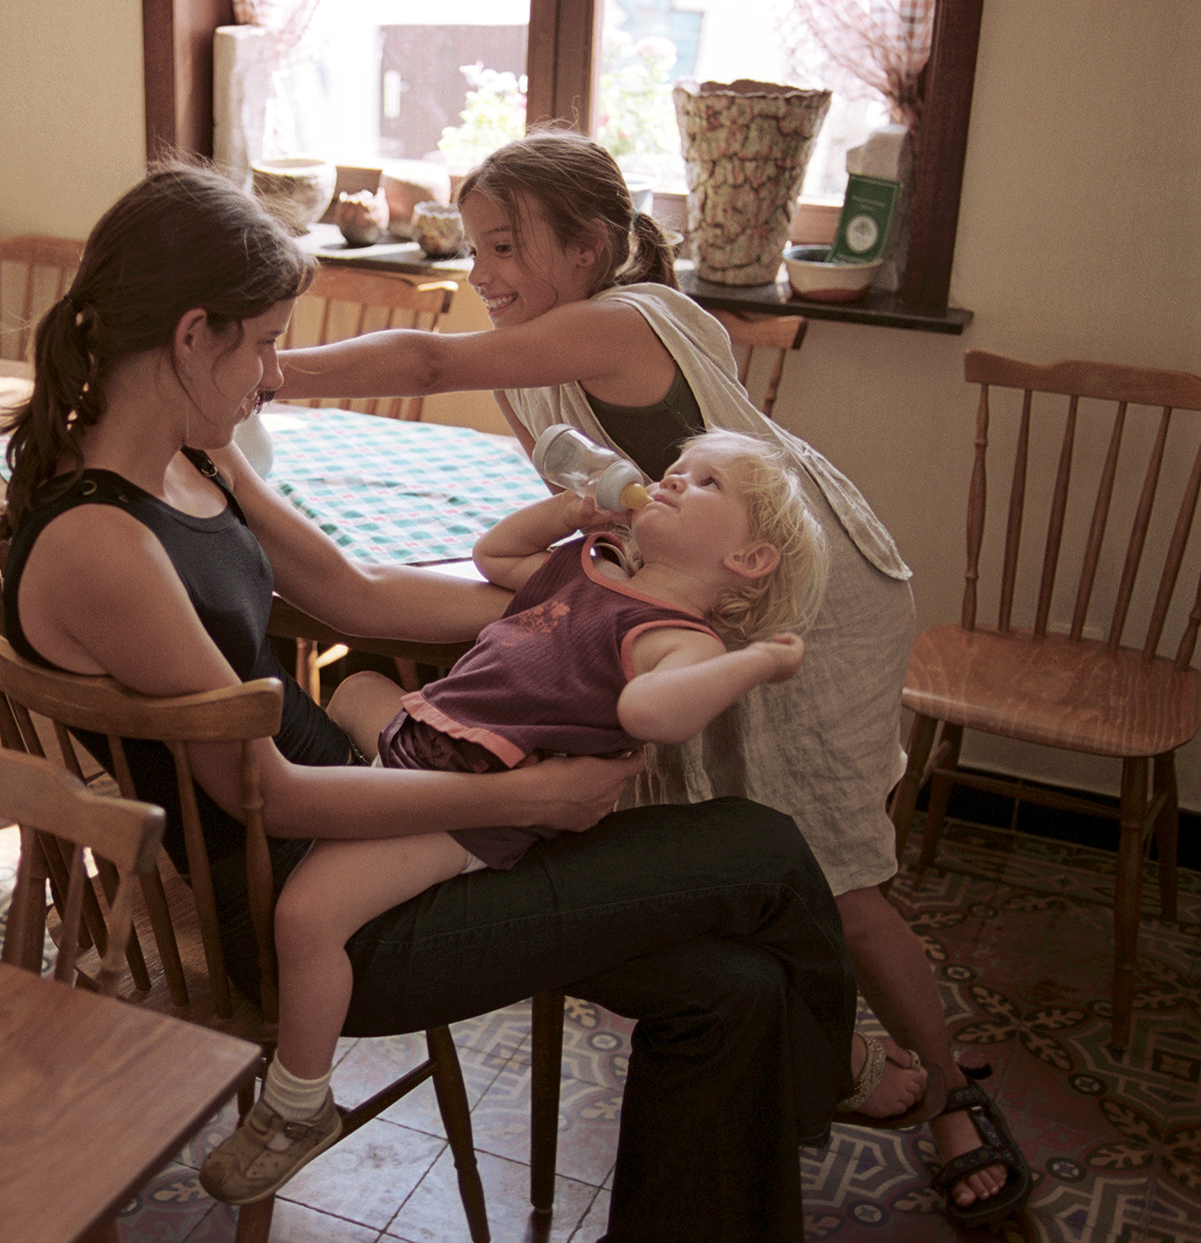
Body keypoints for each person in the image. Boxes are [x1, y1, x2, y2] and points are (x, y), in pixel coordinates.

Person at [0, 164, 855, 1241]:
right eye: (264, 341)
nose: (273, 374)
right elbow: (268, 795)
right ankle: (845, 1073)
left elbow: (351, 591)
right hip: (320, 908)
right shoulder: (102, 543)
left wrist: (574, 605)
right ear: (190, 335)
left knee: (734, 987)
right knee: (763, 848)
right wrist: (531, 794)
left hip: (390, 810)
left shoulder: (192, 462)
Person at [275, 128, 1032, 1227]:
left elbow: (427, 362)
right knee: (735, 844)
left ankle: (952, 1097)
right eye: (474, 245)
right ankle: (821, 1057)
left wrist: (270, 367)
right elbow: (592, 521)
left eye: (505, 247)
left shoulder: (628, 322)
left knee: (844, 881)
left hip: (806, 606)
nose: (480, 273)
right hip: (694, 611)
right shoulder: (541, 346)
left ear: (590, 248)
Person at [205, 428, 928, 1202]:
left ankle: (297, 1103)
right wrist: (570, 510)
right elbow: (493, 557)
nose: (676, 480)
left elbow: (650, 714)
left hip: (466, 802)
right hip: (431, 748)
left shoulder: (679, 640)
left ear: (748, 562)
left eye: (708, 484)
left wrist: (754, 661)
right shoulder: (594, 568)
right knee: (355, 689)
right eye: (678, 468)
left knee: (307, 914)